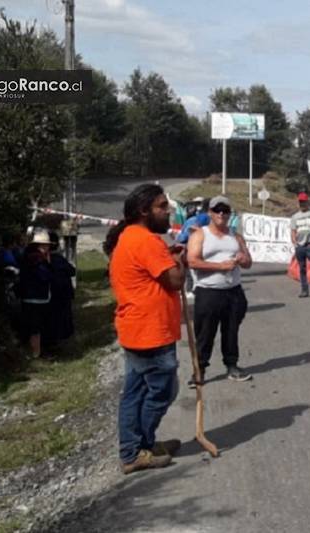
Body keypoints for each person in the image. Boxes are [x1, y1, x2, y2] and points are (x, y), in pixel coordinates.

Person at [105, 183, 184, 474]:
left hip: (137, 329)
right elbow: (174, 281)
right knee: (163, 391)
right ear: (144, 211)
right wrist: (179, 261)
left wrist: (171, 258)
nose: (168, 211)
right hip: (150, 333)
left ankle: (133, 450)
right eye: (162, 206)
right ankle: (141, 447)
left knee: (135, 393)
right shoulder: (145, 240)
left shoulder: (131, 237)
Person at [187, 195, 254, 383]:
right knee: (205, 333)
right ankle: (199, 370)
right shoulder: (200, 234)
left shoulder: (236, 236)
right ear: (210, 212)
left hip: (233, 291)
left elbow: (249, 263)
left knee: (231, 331)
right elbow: (192, 261)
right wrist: (220, 267)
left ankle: (232, 365)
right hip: (208, 291)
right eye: (217, 210)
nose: (222, 214)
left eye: (225, 210)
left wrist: (243, 259)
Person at [19, 230, 53, 358]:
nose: (47, 247)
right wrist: (48, 264)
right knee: (36, 328)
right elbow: (45, 276)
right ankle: (36, 353)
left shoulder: (29, 256)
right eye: (45, 245)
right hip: (36, 297)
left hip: (31, 296)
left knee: (33, 327)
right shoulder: (37, 259)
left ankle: (34, 352)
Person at [44, 232, 76, 346]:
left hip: (51, 294)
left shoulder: (43, 259)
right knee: (63, 316)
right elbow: (72, 271)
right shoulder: (58, 259)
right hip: (63, 293)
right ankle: (62, 338)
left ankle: (55, 340)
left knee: (54, 317)